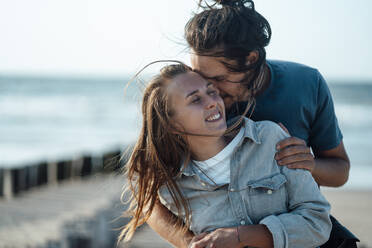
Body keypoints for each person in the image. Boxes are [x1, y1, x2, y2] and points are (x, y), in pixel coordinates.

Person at [146, 0, 358, 247]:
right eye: (199, 77)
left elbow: (340, 170)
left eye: (218, 79)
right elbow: (147, 200)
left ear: (250, 59)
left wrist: (306, 164)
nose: (210, 92)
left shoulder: (306, 84)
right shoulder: (200, 103)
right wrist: (196, 243)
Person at [119, 63, 332, 248]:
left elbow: (318, 222)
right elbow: (150, 206)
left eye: (212, 91)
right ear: (172, 124)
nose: (212, 101)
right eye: (195, 100)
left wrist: (241, 237)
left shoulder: (269, 138)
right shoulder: (171, 186)